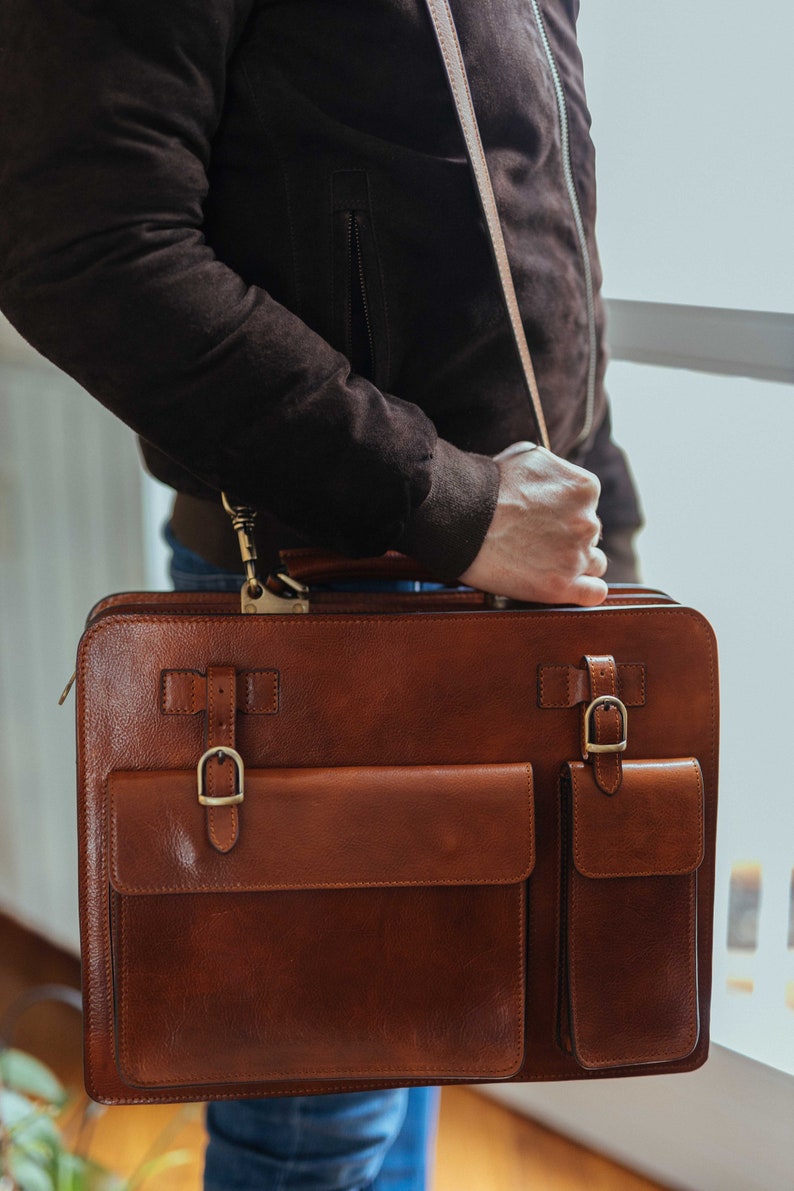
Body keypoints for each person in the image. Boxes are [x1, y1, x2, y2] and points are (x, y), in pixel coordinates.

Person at [0, 1, 642, 1186]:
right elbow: (83, 240)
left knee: (421, 1048)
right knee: (315, 1129)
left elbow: (536, 225)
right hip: (322, 579)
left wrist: (604, 507)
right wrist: (455, 505)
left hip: (501, 579)